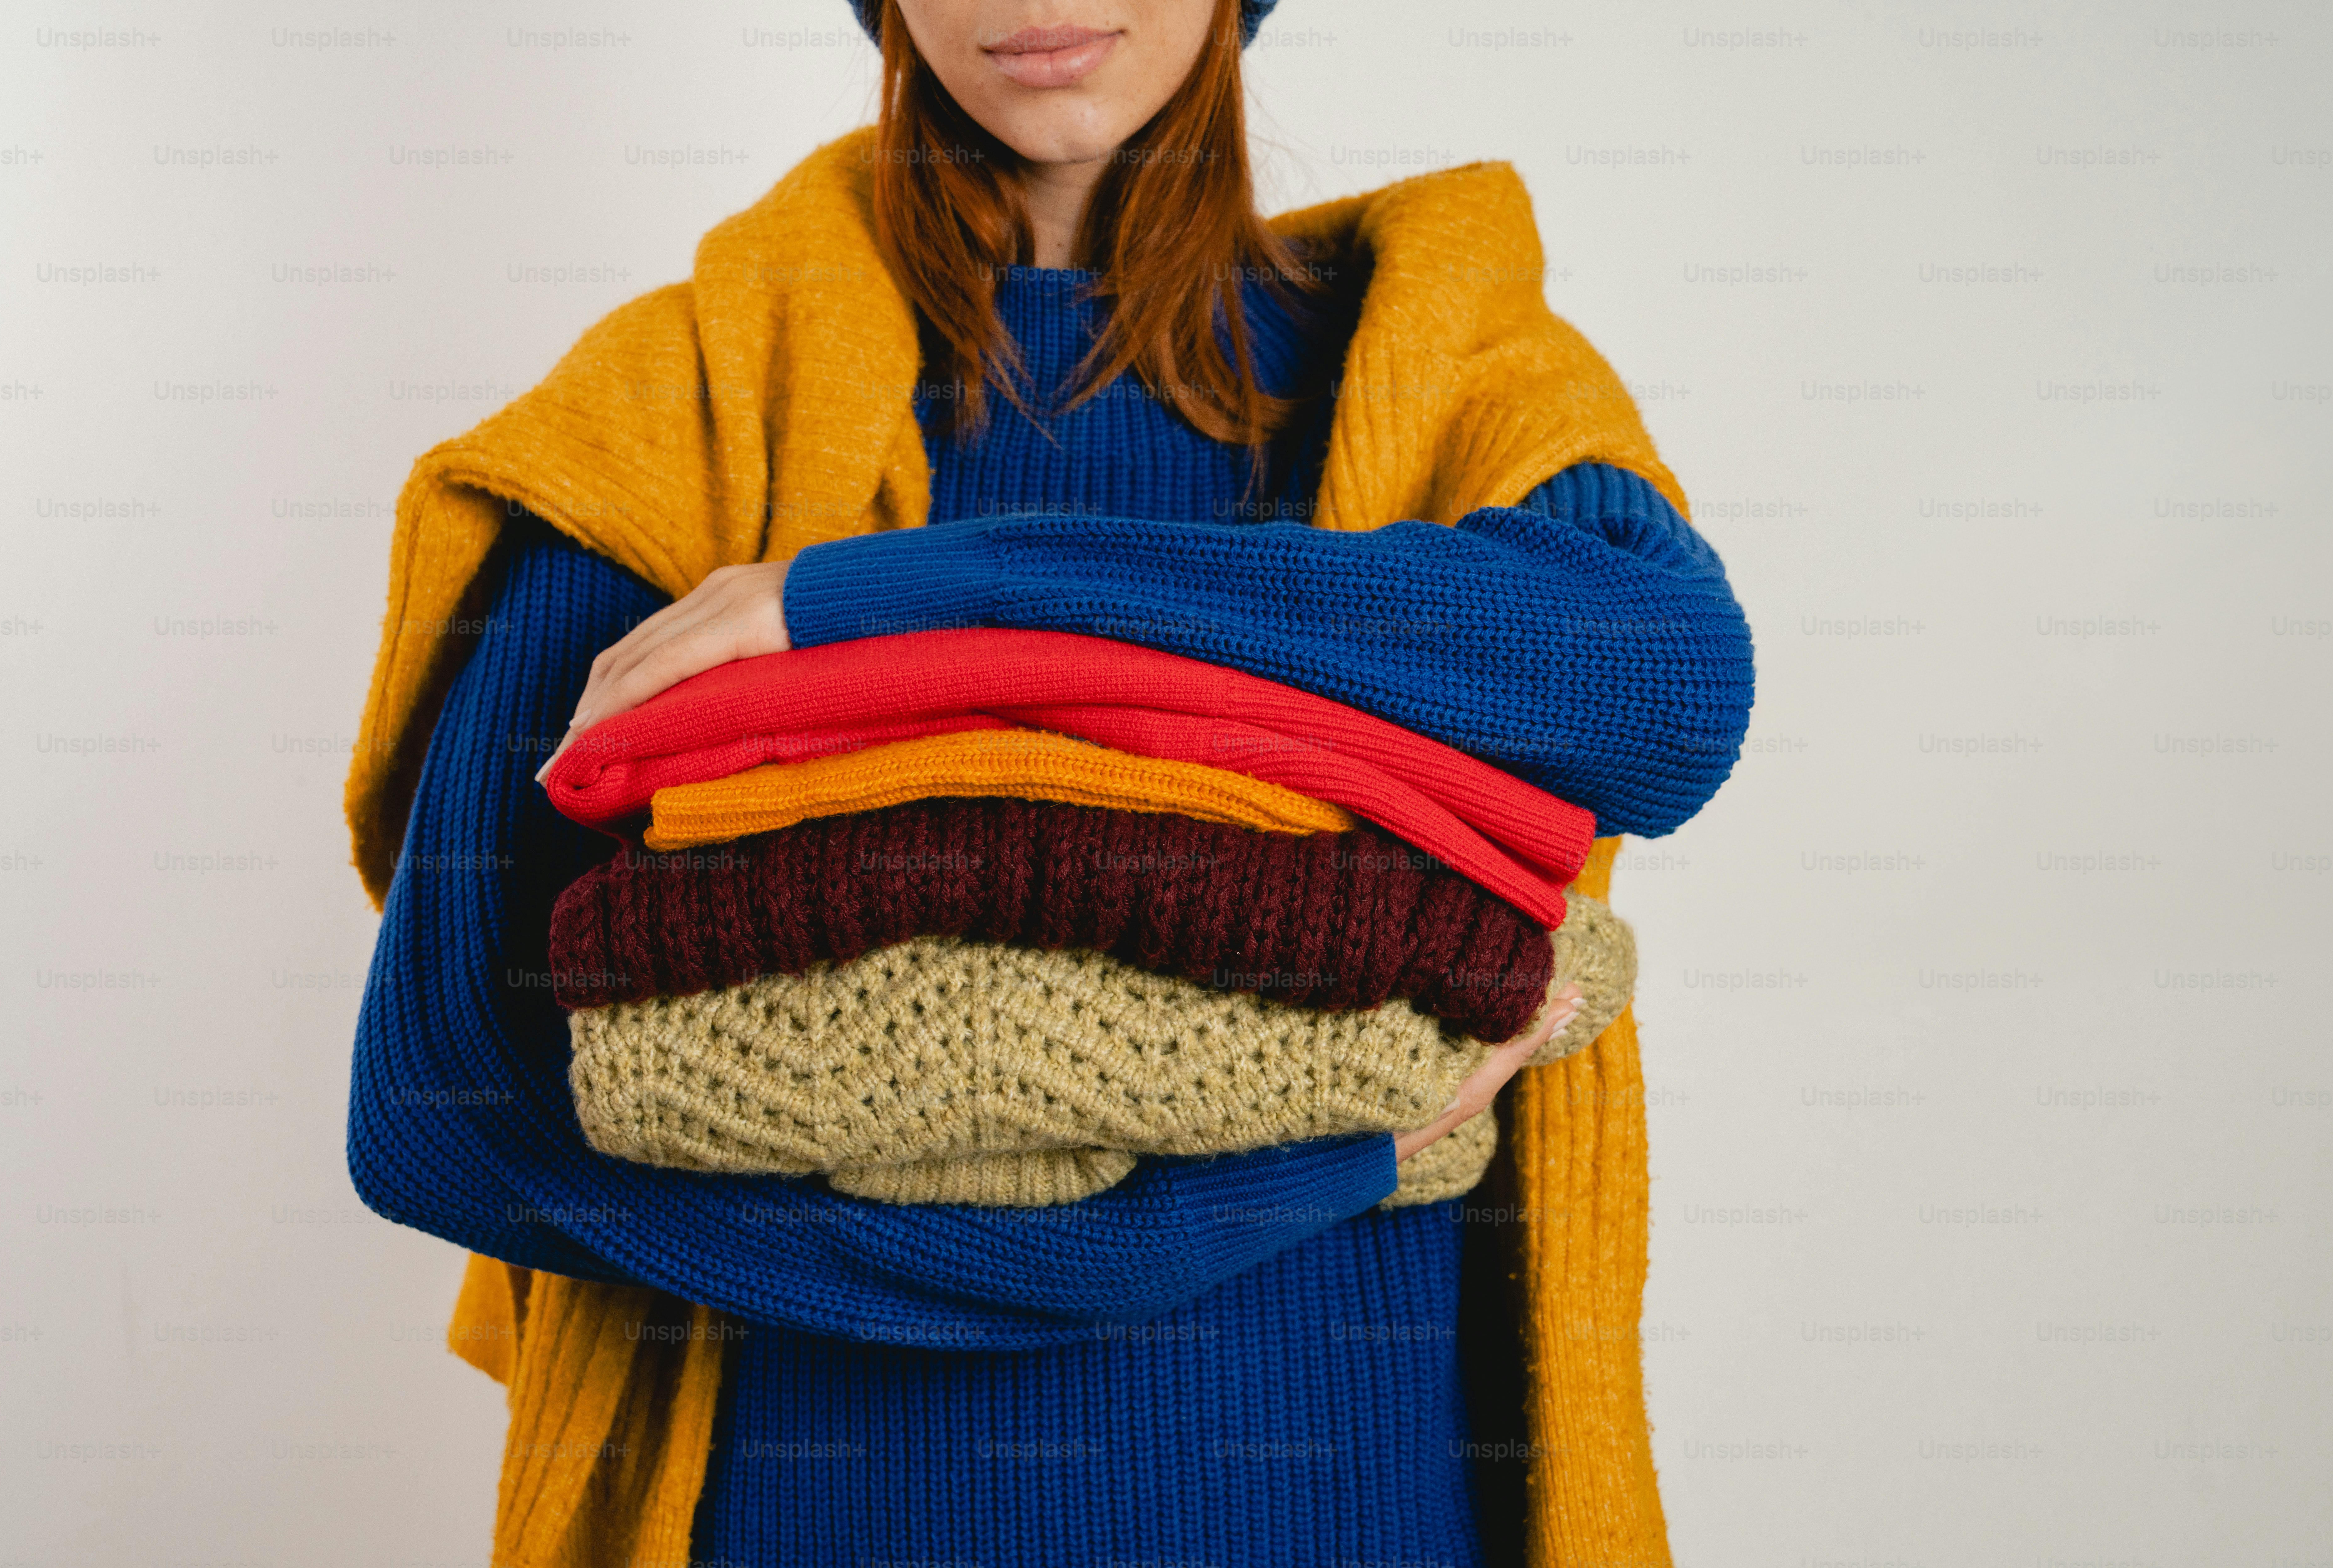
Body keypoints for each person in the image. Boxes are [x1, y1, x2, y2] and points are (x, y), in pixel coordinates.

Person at [347, 0, 1755, 1562]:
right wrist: (1151, 1234)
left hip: (1355, 1489)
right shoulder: (688, 395)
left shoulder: (1433, 356)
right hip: (851, 1506)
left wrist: (889, 602)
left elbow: (1667, 685)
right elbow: (440, 1102)